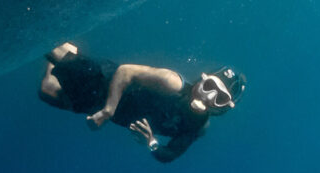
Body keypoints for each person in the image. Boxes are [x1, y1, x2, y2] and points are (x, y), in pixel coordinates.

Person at [38, 42, 245, 163]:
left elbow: (170, 153)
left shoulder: (197, 127)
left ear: (224, 107)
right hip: (107, 83)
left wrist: (151, 143)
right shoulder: (172, 83)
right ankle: (65, 47)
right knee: (53, 50)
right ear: (202, 79)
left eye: (220, 97)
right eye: (209, 86)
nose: (208, 96)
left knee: (47, 91)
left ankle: (70, 50)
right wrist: (108, 111)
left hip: (106, 109)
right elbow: (126, 71)